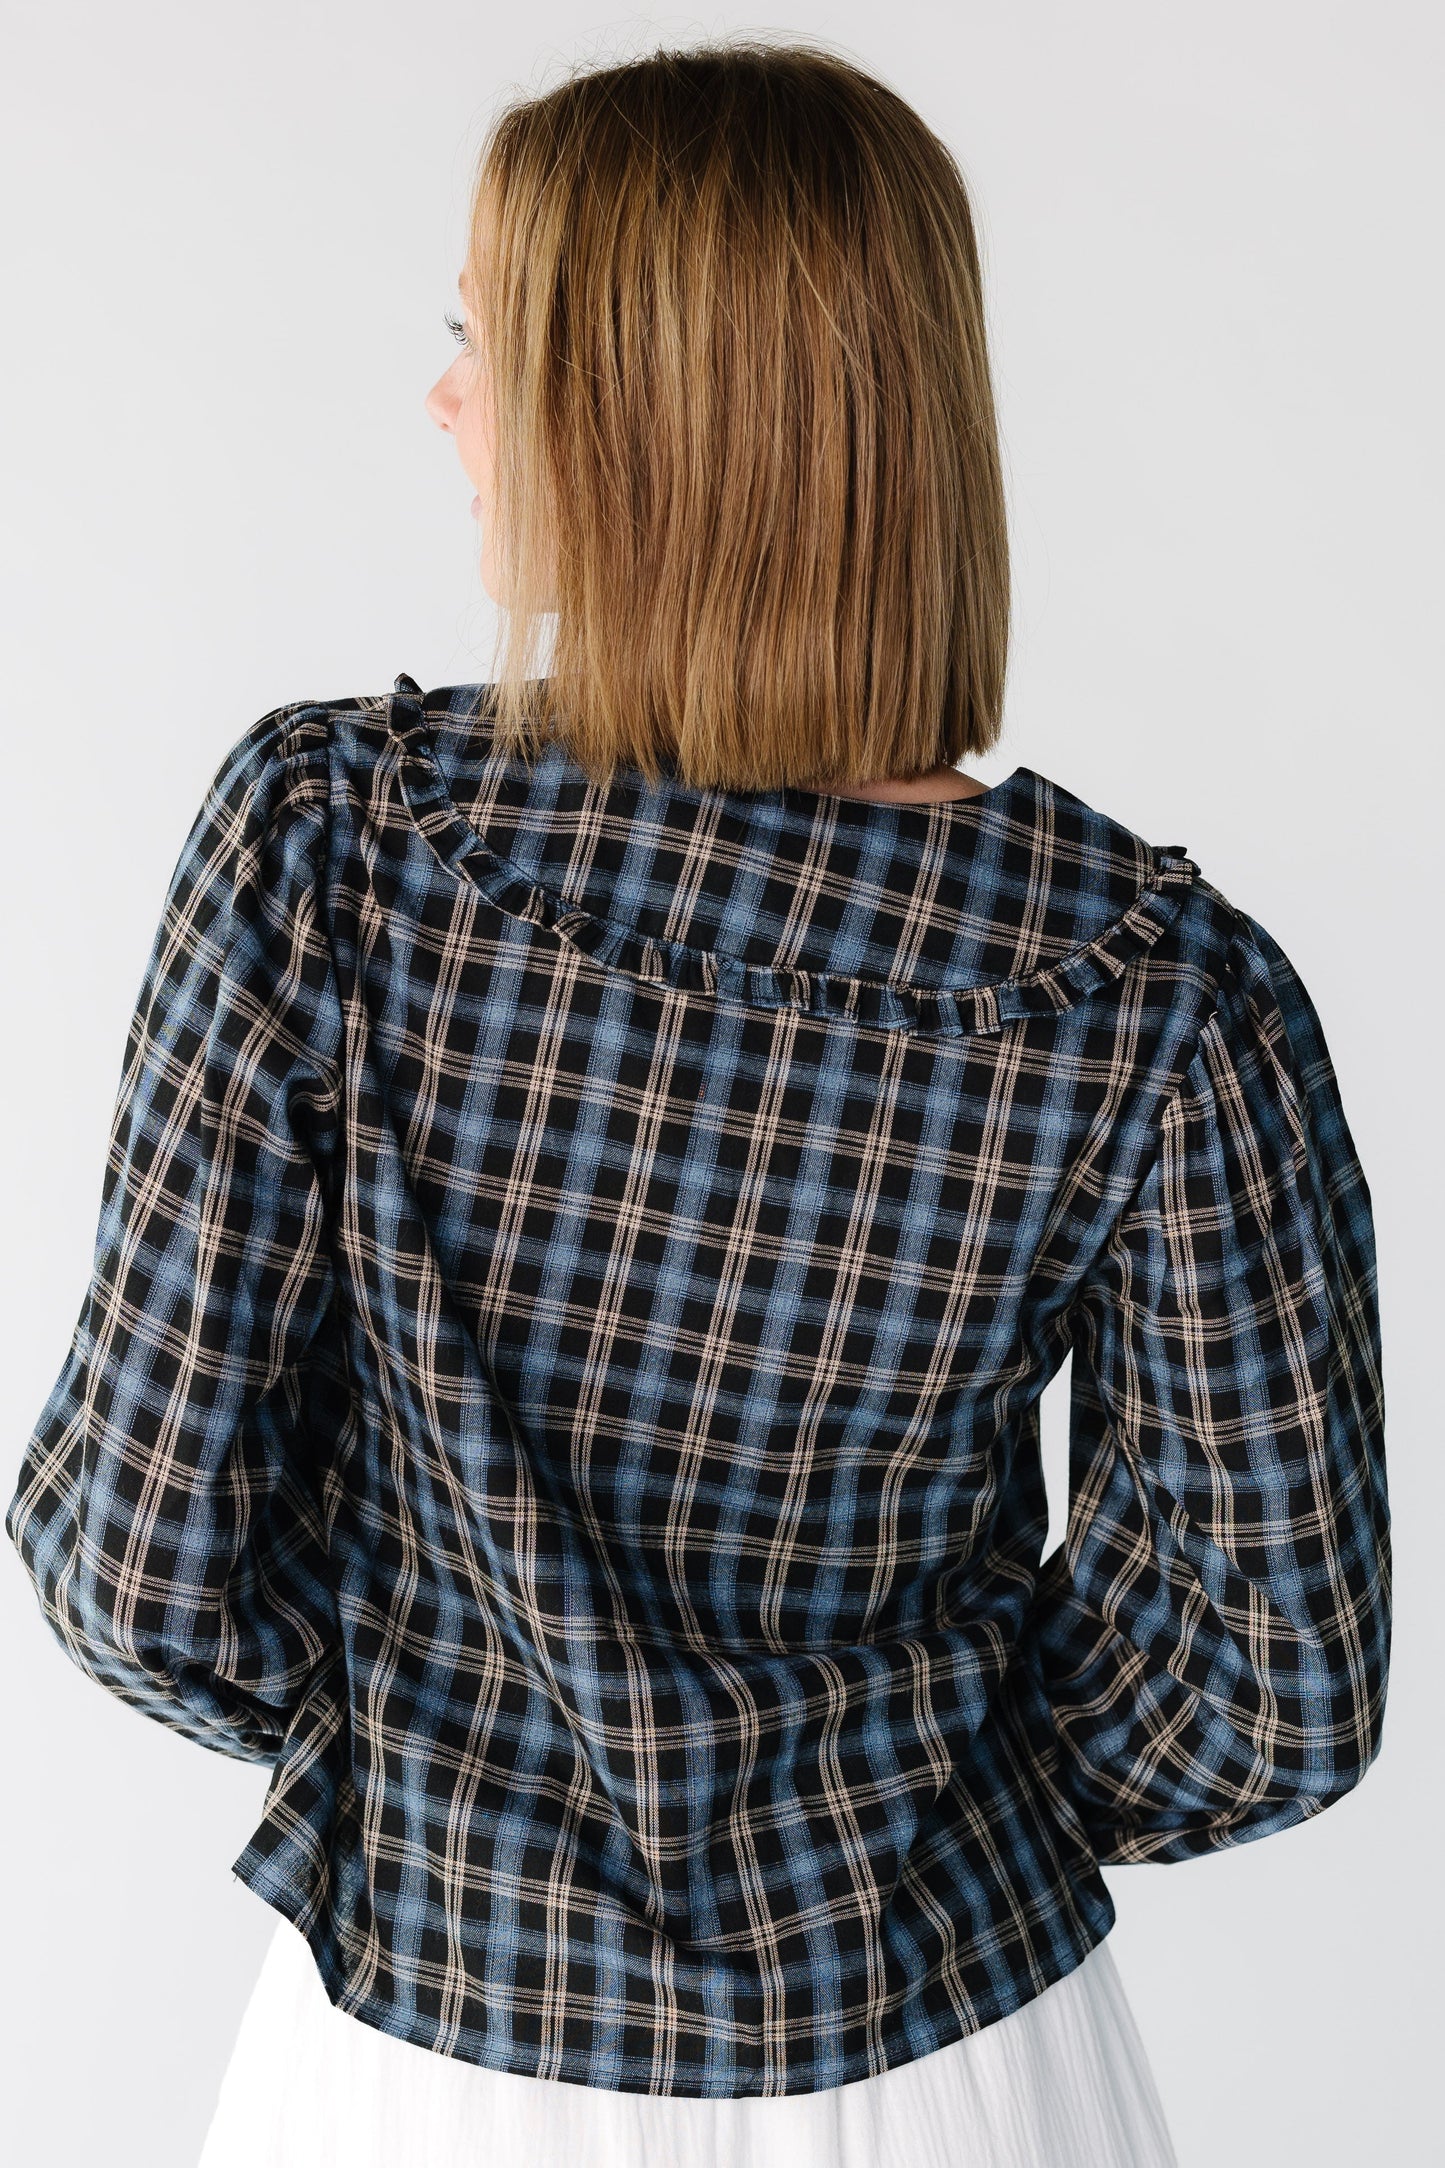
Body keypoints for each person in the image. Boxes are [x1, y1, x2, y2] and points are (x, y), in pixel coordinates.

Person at [5, 37, 1390, 2168]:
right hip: (953, 2050)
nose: (444, 406)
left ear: (638, 418)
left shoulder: (331, 850)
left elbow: (141, 1564)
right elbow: (1265, 1689)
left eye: (489, 344)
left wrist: (444, 1729)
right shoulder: (1153, 991)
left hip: (416, 2055)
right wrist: (913, 1798)